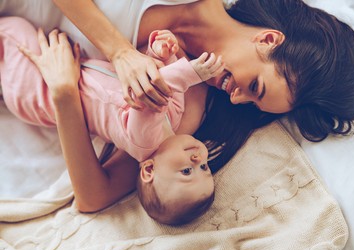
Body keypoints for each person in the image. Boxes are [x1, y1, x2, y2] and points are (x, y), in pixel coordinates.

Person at [1, 0, 354, 213]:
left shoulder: (185, 113)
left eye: (251, 103)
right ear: (268, 39)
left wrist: (64, 93)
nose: (236, 97)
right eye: (255, 86)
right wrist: (120, 52)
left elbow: (94, 196)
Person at [0, 17, 223, 225]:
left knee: (12, 30)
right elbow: (155, 79)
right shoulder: (173, 118)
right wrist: (162, 53)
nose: (196, 158)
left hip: (38, 92)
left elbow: (149, 94)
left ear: (148, 171)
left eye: (186, 171)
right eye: (203, 166)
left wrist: (193, 73)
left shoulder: (144, 142)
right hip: (62, 75)